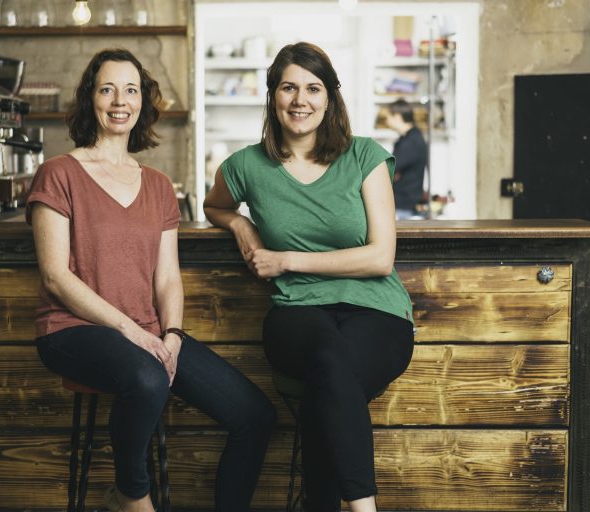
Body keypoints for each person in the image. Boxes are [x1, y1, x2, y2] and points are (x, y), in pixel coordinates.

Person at [26, 48, 275, 512]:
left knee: (255, 416)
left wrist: (173, 336)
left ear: (143, 101)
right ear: (90, 99)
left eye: (131, 90)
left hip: (150, 333)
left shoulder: (159, 185)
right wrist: (132, 332)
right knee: (147, 377)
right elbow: (56, 277)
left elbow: (167, 278)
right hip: (72, 329)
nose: (120, 101)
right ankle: (132, 497)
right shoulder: (58, 174)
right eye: (107, 89)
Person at [203, 42, 414, 512]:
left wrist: (286, 261)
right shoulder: (246, 166)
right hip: (297, 311)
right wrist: (240, 224)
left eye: (313, 88)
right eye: (289, 88)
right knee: (330, 363)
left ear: (330, 97)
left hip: (377, 310)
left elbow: (380, 257)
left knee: (329, 377)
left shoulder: (365, 156)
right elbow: (214, 205)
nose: (301, 100)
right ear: (273, 96)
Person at [385, 98, 428, 219]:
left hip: (403, 205)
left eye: (389, 116)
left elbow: (389, 169)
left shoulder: (411, 142)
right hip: (403, 203)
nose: (386, 120)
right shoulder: (408, 139)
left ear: (397, 116)